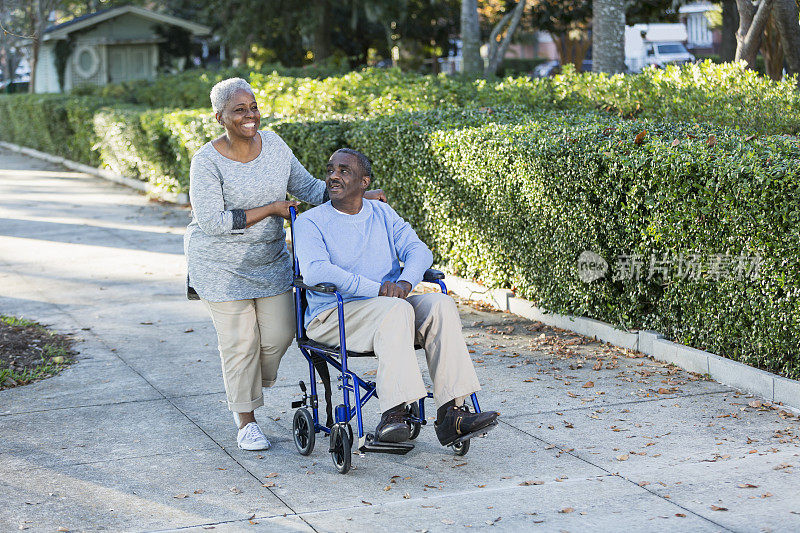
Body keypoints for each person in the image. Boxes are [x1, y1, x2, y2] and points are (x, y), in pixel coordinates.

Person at [184, 79, 385, 451]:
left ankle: (241, 384)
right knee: (240, 343)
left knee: (278, 337)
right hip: (219, 267)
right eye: (239, 110)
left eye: (253, 107)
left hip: (270, 260)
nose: (250, 115)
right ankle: (245, 421)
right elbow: (212, 221)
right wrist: (273, 209)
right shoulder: (206, 162)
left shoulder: (274, 145)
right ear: (219, 118)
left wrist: (358, 193)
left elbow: (309, 189)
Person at [293, 148, 499, 445]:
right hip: (333, 316)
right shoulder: (311, 222)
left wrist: (404, 282)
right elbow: (315, 272)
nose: (333, 176)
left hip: (388, 310)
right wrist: (378, 288)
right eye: (330, 170)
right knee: (396, 309)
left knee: (439, 303)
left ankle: (452, 414)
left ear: (364, 182)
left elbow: (419, 251)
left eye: (343, 171)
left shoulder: (382, 213)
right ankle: (394, 413)